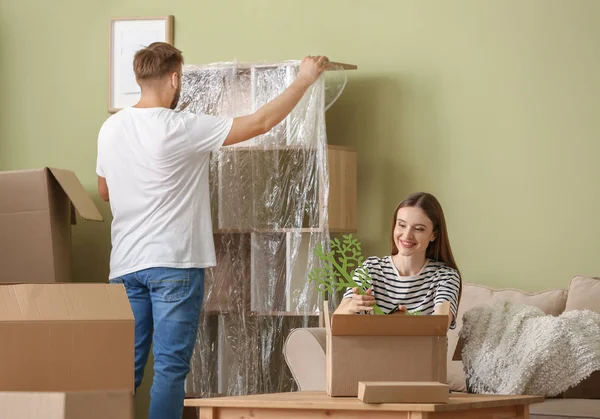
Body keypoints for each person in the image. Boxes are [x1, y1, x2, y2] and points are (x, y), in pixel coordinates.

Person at [96, 42, 329, 419]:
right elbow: (260, 123)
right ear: (175, 78)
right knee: (170, 370)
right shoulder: (181, 127)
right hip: (174, 262)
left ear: (138, 79)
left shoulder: (110, 128)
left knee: (122, 370)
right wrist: (303, 79)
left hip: (125, 265)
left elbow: (105, 190)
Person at [334, 192, 461, 329]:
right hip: (372, 350)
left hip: (421, 351)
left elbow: (440, 326)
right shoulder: (371, 268)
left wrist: (408, 324)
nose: (407, 235)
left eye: (418, 229)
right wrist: (351, 308)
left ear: (433, 235)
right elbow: (336, 320)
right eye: (401, 225)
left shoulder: (446, 276)